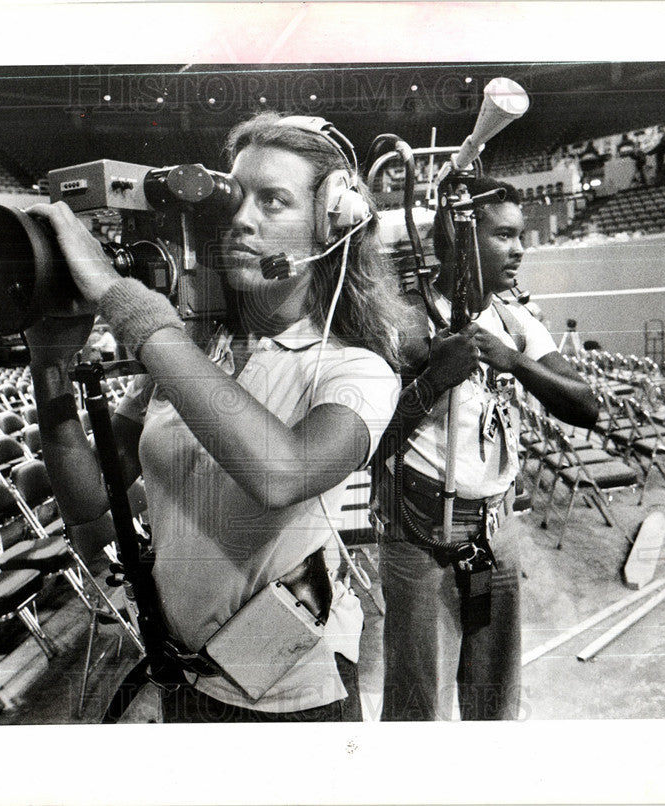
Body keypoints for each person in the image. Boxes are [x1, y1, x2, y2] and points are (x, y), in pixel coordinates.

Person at [22, 112, 405, 722]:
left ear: (331, 227)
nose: (242, 220)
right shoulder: (189, 358)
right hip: (184, 680)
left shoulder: (355, 369)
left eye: (273, 201)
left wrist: (124, 302)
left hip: (291, 695)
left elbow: (282, 473)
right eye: (236, 198)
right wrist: (48, 363)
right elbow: (89, 501)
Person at [373, 175, 598, 721]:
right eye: (503, 235)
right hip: (418, 537)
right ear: (459, 237)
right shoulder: (399, 320)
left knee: (493, 700)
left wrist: (513, 360)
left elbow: (585, 407)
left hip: (495, 535)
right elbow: (369, 445)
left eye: (520, 235)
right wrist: (432, 380)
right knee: (416, 709)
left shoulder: (514, 319)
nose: (520, 248)